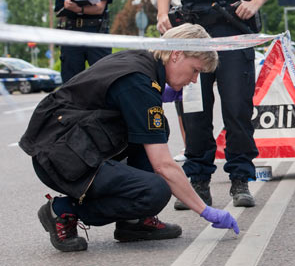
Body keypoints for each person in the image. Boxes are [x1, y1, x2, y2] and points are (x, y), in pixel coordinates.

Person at [19, 24, 239, 253]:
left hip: (70, 144)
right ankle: (62, 210)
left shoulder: (142, 63)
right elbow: (163, 165)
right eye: (195, 70)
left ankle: (134, 222)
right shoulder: (139, 82)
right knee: (156, 190)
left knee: (157, 130)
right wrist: (205, 210)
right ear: (177, 54)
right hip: (61, 157)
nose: (194, 80)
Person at [156, 0, 277, 210]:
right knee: (194, 109)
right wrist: (162, 14)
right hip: (194, 33)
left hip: (233, 31)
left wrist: (254, 3)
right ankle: (198, 179)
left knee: (238, 107)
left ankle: (240, 178)